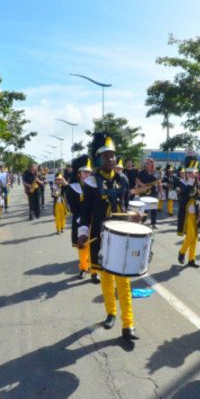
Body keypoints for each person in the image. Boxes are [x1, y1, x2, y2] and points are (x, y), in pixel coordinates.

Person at [77, 132, 140, 340]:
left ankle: (128, 324)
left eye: (113, 155)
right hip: (101, 237)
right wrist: (83, 233)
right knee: (106, 278)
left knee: (124, 280)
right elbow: (85, 211)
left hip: (122, 235)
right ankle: (111, 312)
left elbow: (125, 205)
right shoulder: (93, 182)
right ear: (98, 158)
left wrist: (134, 216)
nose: (111, 159)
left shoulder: (122, 179)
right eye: (106, 156)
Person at [65, 155, 94, 280]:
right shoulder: (72, 188)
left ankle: (94, 271)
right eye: (84, 172)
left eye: (88, 172)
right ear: (79, 173)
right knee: (82, 246)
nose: (87, 174)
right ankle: (83, 268)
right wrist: (82, 220)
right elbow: (73, 208)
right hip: (80, 220)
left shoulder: (95, 186)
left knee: (94, 246)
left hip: (94, 220)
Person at [175, 156, 200, 268]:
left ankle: (191, 259)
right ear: (186, 173)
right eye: (189, 172)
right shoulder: (182, 183)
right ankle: (182, 252)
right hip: (186, 214)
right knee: (190, 235)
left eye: (194, 172)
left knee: (195, 237)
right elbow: (184, 194)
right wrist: (190, 182)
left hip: (196, 213)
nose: (192, 174)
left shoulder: (198, 184)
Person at [135, 158, 161, 228]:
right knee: (144, 208)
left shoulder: (156, 172)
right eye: (146, 163)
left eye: (148, 163)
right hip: (143, 191)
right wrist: (142, 184)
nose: (147, 164)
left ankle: (153, 223)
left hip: (153, 192)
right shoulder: (142, 172)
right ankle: (142, 221)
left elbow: (159, 182)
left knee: (153, 208)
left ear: (152, 163)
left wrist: (161, 192)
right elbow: (137, 180)